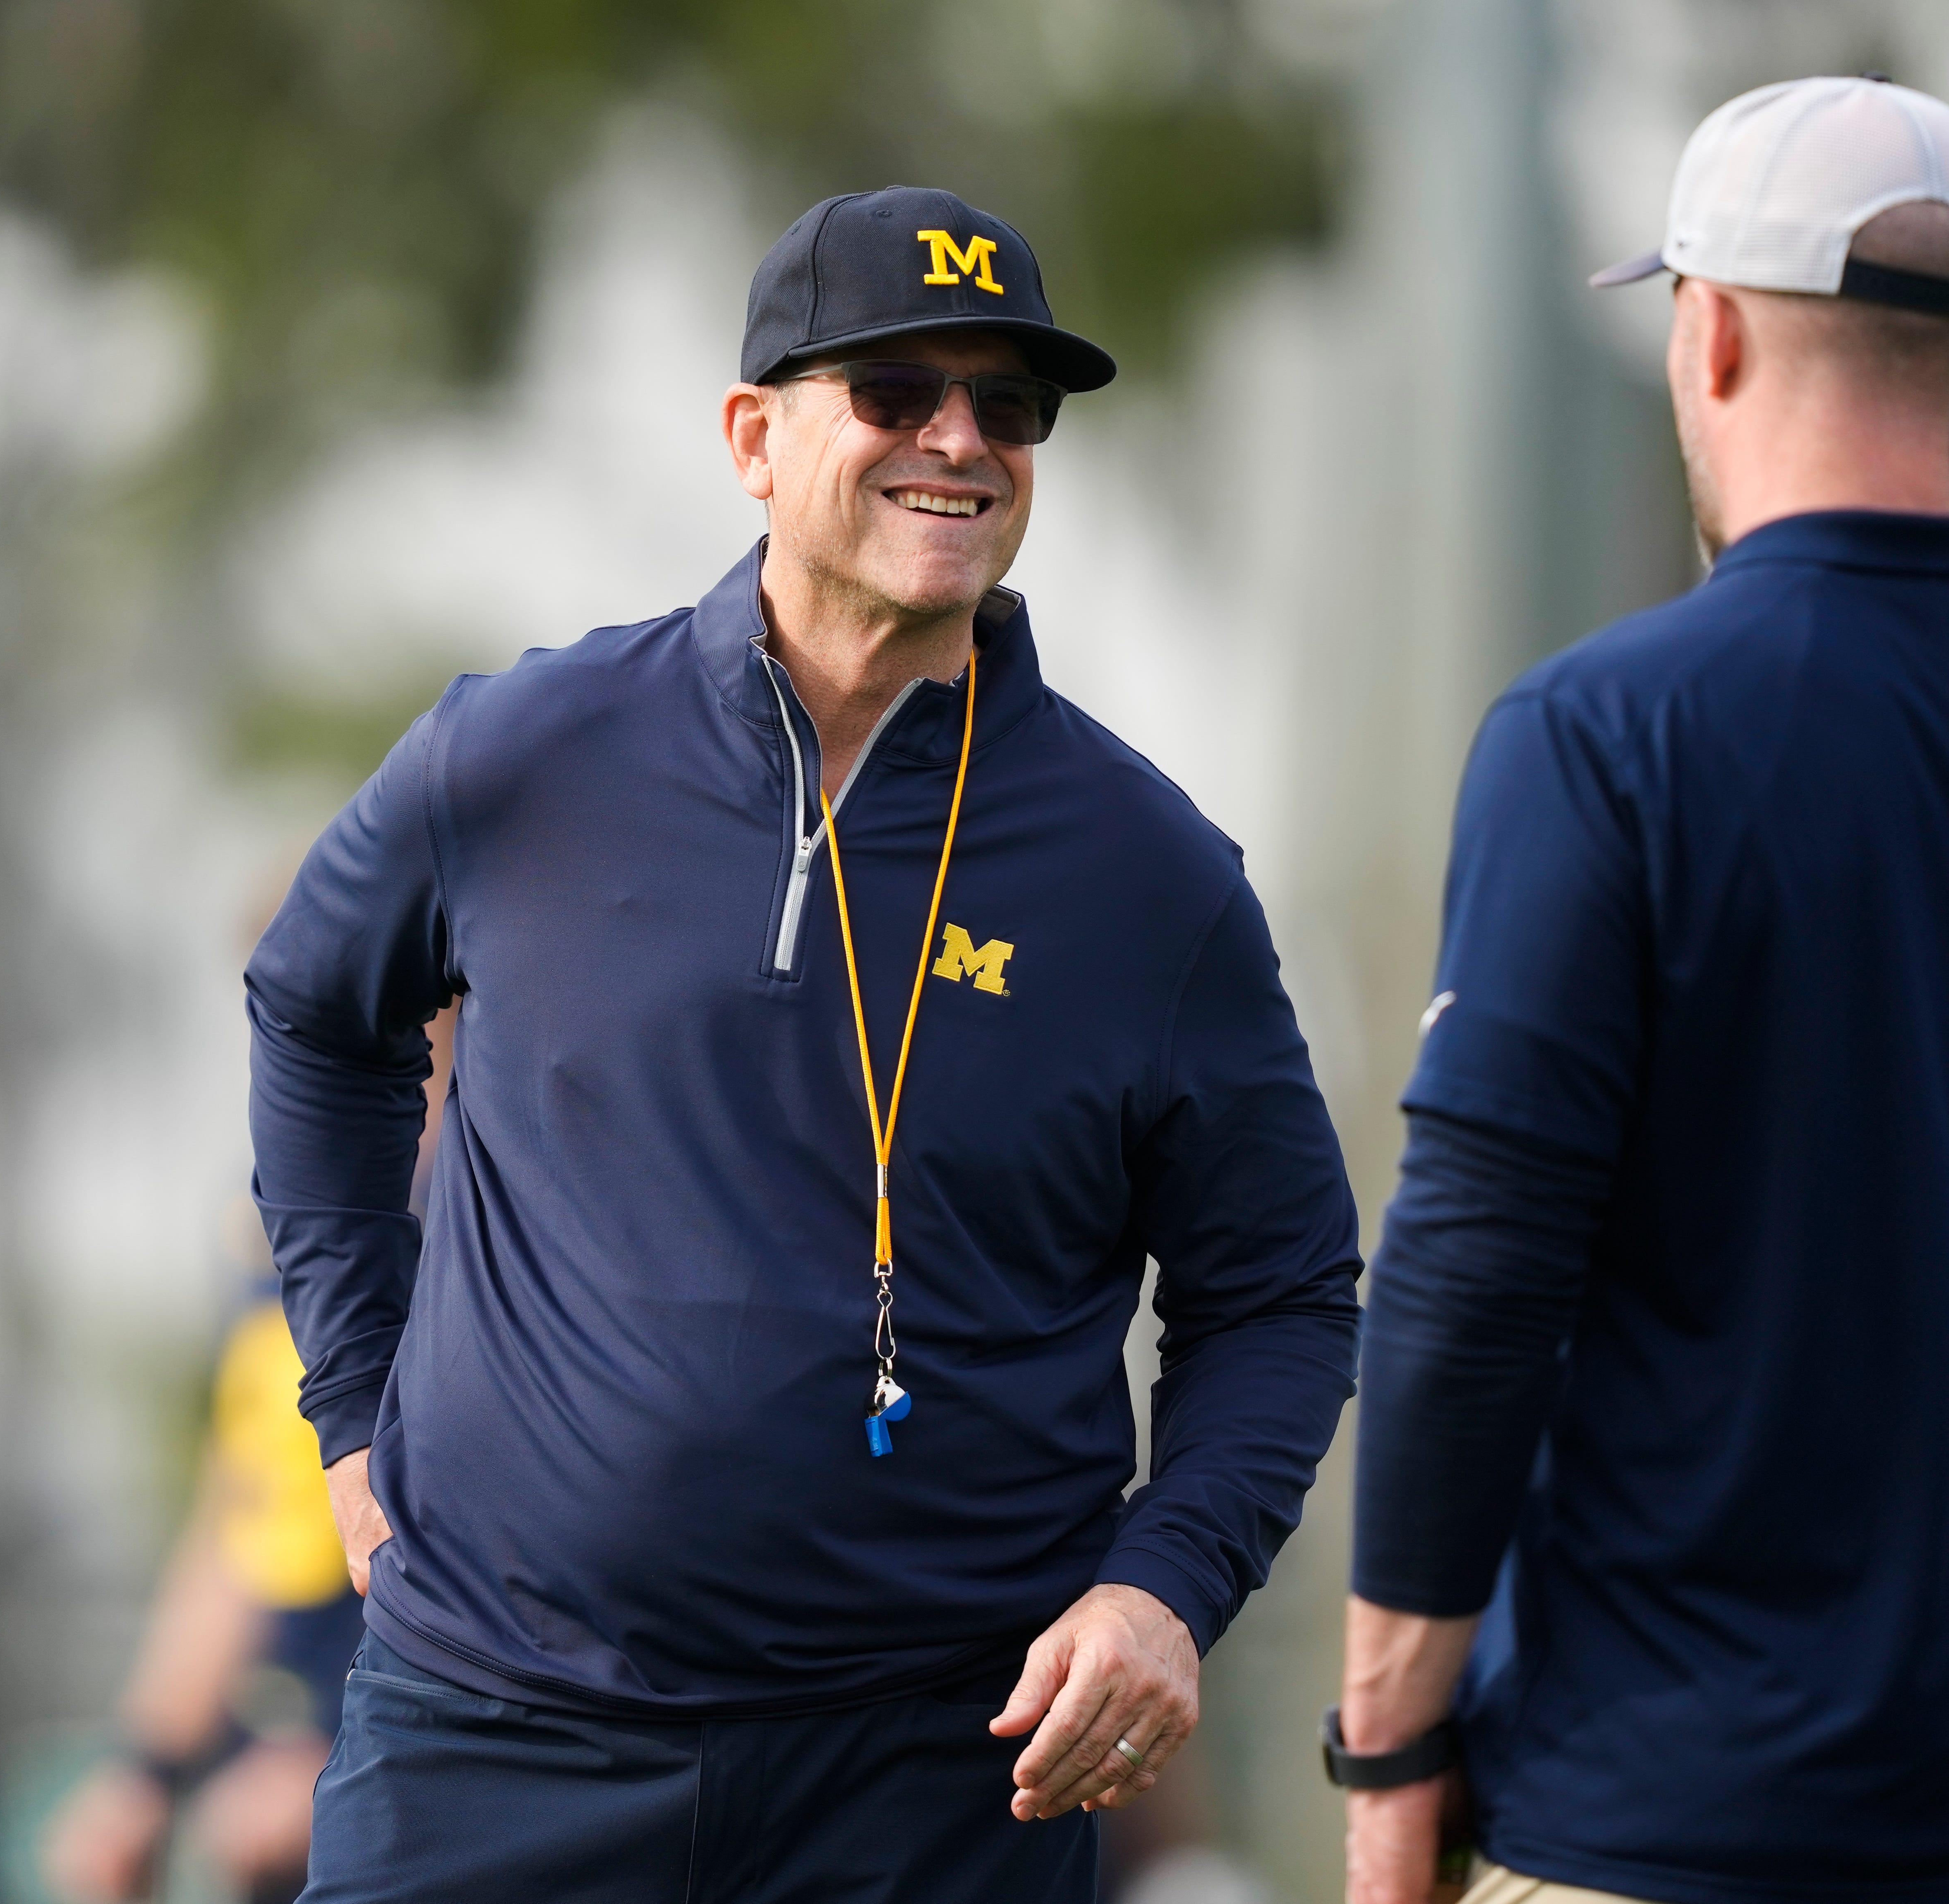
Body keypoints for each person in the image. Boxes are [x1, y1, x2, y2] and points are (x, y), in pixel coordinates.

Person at [248, 184, 1364, 1902]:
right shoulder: (520, 754)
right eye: (899, 391)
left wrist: (1163, 1587)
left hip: (933, 1783)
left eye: (1009, 406)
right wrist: (347, 1403)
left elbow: (1282, 1288)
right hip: (497, 1738)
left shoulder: (1148, 877)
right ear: (753, 436)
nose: (960, 440)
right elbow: (317, 1019)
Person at [1331, 77, 1949, 1904]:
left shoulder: (1601, 737)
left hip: (1667, 1821)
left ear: (1713, 331)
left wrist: (1386, 1746)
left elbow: (1469, 1276)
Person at [39, 1242, 363, 1904]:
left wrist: (354, 1752)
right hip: (284, 1794)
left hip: (431, 1775)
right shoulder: (287, 1216)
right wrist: (144, 1773)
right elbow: (239, 1517)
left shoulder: (496, 1192)